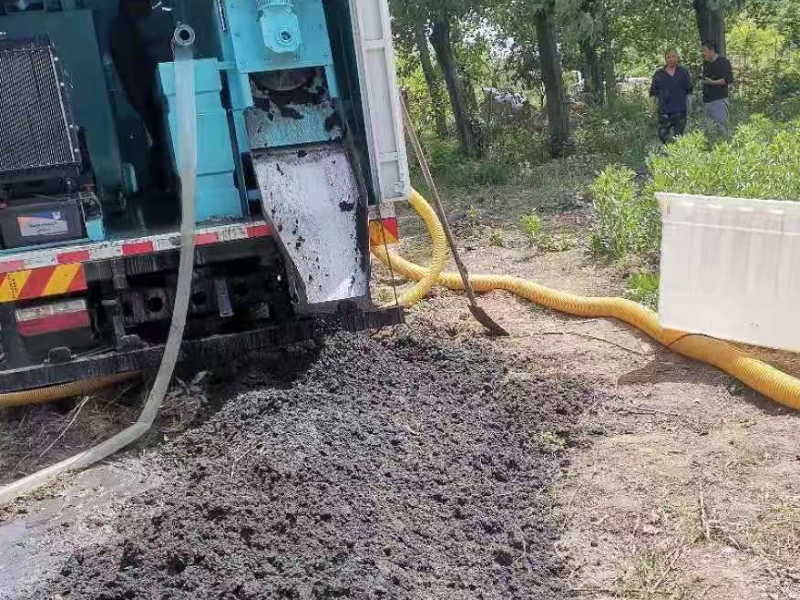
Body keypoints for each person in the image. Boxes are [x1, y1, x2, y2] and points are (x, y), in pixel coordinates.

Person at [650, 49, 693, 143]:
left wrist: (689, 109)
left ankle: (676, 156)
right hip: (664, 112)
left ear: (677, 58)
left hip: (680, 112)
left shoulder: (683, 72)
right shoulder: (658, 74)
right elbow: (653, 94)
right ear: (665, 59)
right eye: (668, 57)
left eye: (673, 56)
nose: (671, 59)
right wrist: (652, 109)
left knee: (678, 139)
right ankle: (666, 155)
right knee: (663, 136)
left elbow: (689, 92)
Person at [701, 40, 734, 136]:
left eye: (704, 51)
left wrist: (712, 82)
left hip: (719, 101)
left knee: (722, 129)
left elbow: (728, 80)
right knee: (710, 130)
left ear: (712, 50)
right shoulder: (706, 64)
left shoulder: (723, 62)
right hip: (707, 101)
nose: (703, 53)